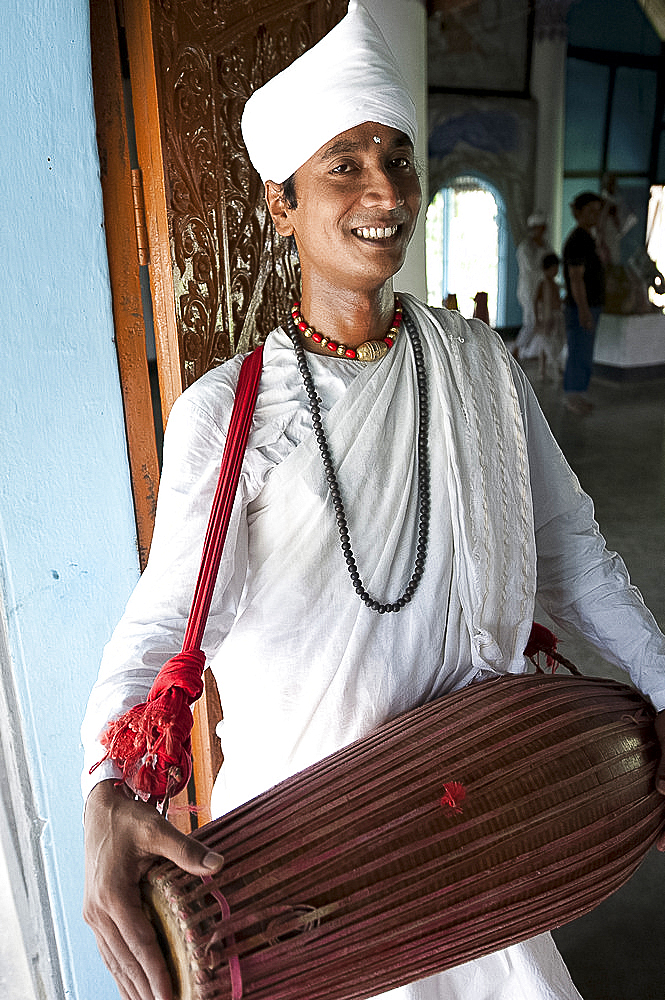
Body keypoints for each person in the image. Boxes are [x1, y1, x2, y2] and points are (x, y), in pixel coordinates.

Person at [81, 5, 665, 1000]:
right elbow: (160, 630)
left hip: (477, 815)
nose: (383, 189)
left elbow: (571, 558)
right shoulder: (227, 410)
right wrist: (102, 794)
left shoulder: (477, 364)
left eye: (395, 157)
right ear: (281, 204)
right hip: (307, 866)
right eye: (342, 164)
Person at [562, 192, 605, 415]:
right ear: (578, 213)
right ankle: (572, 395)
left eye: (598, 210)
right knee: (578, 350)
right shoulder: (578, 240)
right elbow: (576, 278)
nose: (595, 215)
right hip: (581, 306)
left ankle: (579, 393)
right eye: (590, 210)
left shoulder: (589, 239)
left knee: (584, 351)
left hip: (590, 305)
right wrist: (584, 310)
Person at [513, 211, 553, 360]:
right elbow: (533, 268)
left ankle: (541, 355)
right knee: (531, 321)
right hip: (529, 290)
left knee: (544, 321)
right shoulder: (525, 248)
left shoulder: (546, 245)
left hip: (543, 289)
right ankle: (515, 351)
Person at [531, 252, 564, 380]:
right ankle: (544, 369)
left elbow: (556, 300)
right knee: (545, 343)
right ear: (546, 269)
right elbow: (536, 301)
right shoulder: (543, 284)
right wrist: (537, 319)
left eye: (557, 268)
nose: (555, 271)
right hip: (546, 318)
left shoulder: (555, 284)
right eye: (553, 269)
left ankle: (549, 368)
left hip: (555, 316)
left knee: (553, 342)